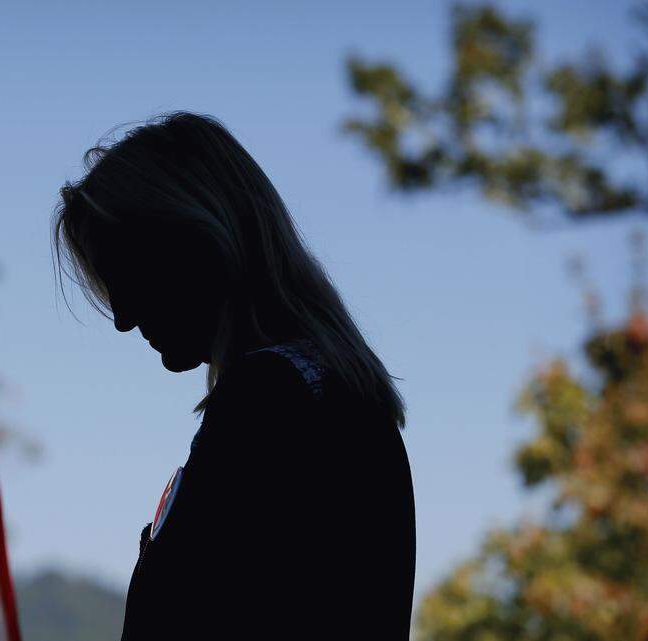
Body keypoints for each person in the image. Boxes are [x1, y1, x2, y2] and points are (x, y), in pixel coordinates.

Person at [51, 111, 416, 639]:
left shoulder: (271, 401)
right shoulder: (323, 394)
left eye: (128, 276)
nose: (125, 318)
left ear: (196, 242)